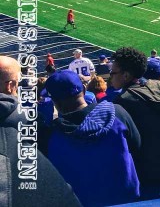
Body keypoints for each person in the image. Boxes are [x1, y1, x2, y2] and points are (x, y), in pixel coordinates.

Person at [45, 70, 141, 206]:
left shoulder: (50, 134)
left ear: (54, 101)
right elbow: (137, 146)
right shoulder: (117, 112)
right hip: (126, 199)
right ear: (84, 90)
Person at [111, 47, 160, 195]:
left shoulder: (122, 102)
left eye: (113, 73)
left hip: (155, 174)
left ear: (126, 75)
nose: (110, 76)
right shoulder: (159, 86)